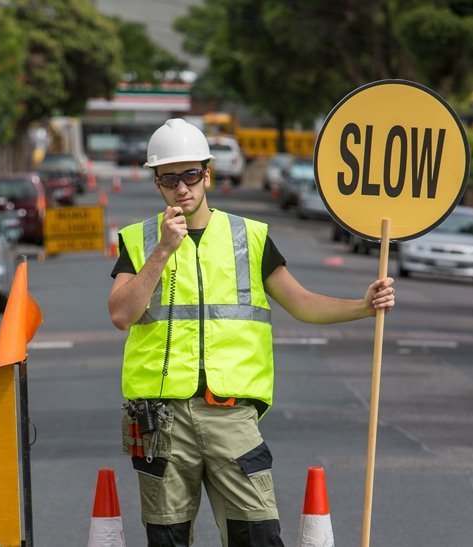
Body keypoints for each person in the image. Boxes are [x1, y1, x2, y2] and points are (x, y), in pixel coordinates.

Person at [108, 118, 395, 547]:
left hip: (232, 415)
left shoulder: (250, 236)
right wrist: (163, 251)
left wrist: (363, 306)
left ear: (207, 173)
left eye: (190, 175)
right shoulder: (140, 239)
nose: (181, 188)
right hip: (161, 421)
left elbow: (301, 303)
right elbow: (121, 313)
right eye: (169, 178)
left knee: (259, 536)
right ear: (157, 183)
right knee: (166, 539)